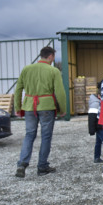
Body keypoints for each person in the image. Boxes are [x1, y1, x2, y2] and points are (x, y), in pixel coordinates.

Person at [14, 46, 67, 178]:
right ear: (51, 57)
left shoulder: (26, 69)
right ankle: (42, 166)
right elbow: (60, 92)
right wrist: (63, 110)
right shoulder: (53, 71)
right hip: (46, 107)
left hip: (29, 107)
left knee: (29, 135)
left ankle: (22, 164)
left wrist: (17, 107)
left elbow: (18, 89)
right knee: (46, 136)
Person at [88, 82, 103, 163]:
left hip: (99, 125)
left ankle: (97, 157)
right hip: (99, 126)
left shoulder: (96, 101)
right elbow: (91, 118)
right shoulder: (95, 104)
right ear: (99, 96)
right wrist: (92, 130)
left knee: (98, 142)